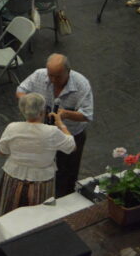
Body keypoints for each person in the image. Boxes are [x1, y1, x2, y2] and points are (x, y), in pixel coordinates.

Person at [16, 54, 94, 197]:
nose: (52, 80)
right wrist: (33, 106)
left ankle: (64, 199)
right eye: (50, 75)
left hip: (70, 134)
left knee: (68, 171)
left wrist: (65, 114)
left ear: (68, 71)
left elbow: (87, 115)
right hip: (44, 132)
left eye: (57, 76)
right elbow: (21, 90)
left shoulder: (82, 85)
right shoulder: (39, 75)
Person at [0, 92, 76, 218]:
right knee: (37, 218)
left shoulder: (12, 127)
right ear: (42, 112)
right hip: (41, 182)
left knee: (8, 215)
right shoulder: (52, 132)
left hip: (13, 177)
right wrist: (60, 124)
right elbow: (71, 146)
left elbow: (2, 151)